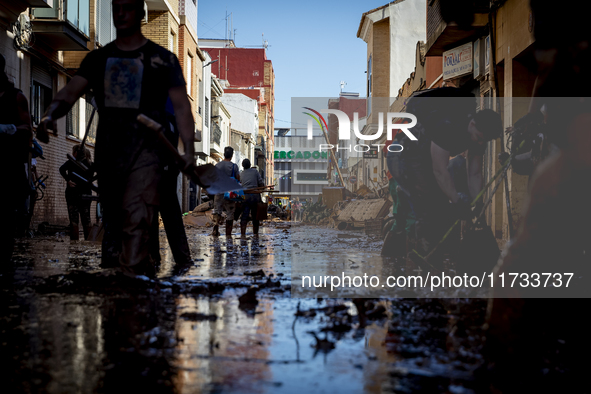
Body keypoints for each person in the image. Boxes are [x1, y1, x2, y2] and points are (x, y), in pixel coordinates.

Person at [37, 0, 196, 275]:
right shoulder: (99, 60)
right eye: (116, 7)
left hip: (147, 156)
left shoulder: (161, 60)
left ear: (141, 13)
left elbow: (182, 107)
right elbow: (70, 92)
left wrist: (190, 151)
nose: (121, 13)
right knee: (113, 228)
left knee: (138, 221)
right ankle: (119, 294)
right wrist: (50, 114)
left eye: (128, 7)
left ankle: (141, 286)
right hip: (110, 157)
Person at [387, 87, 502, 257]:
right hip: (403, 158)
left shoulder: (478, 138)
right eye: (478, 138)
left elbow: (475, 174)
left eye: (483, 141)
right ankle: (416, 262)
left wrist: (478, 204)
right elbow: (439, 170)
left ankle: (430, 260)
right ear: (472, 124)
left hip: (425, 160)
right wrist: (457, 201)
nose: (479, 143)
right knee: (428, 210)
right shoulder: (449, 126)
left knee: (440, 208)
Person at [0, 53, 34, 264]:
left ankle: (4, 263)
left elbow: (27, 129)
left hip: (7, 167)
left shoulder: (16, 97)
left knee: (5, 217)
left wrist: (7, 129)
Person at [59, 145, 95, 240]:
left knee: (74, 220)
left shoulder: (72, 162)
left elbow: (61, 169)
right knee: (86, 219)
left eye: (73, 151)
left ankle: (75, 243)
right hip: (84, 195)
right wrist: (91, 181)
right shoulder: (90, 164)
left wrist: (68, 180)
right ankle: (89, 243)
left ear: (76, 152)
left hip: (73, 194)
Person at [212, 147, 240, 237]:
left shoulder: (217, 165)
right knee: (230, 212)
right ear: (231, 156)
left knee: (217, 210)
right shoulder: (234, 166)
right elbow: (238, 178)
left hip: (219, 191)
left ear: (224, 154)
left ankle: (215, 229)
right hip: (230, 193)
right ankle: (228, 234)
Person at [239, 158, 264, 236]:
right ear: (250, 165)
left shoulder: (241, 174)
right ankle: (255, 234)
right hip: (255, 196)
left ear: (242, 166)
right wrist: (262, 187)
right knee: (255, 216)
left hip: (245, 196)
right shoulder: (255, 172)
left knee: (244, 216)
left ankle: (243, 234)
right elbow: (261, 183)